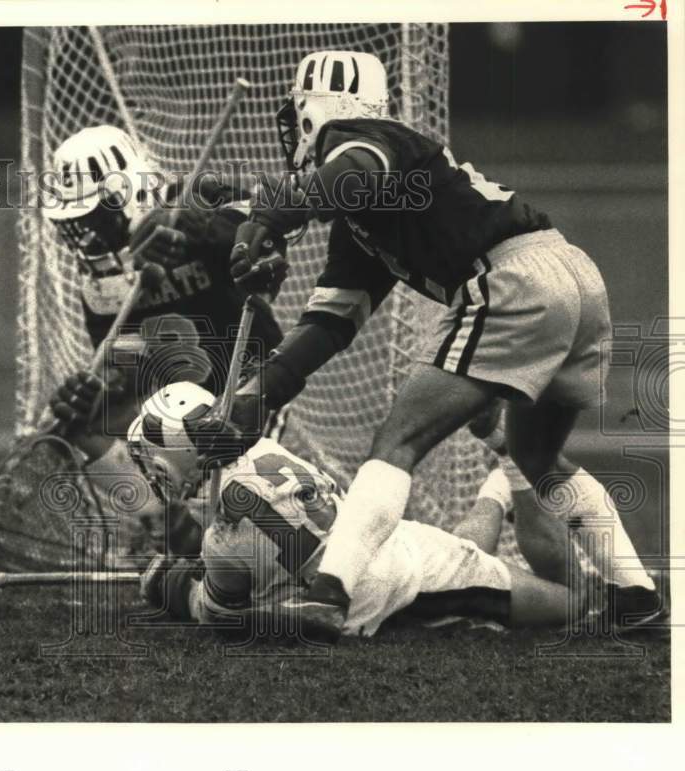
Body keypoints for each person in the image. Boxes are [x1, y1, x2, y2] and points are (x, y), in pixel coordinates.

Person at [189, 50, 616, 634]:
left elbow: (350, 174)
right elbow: (331, 321)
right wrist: (261, 391)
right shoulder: (365, 220)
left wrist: (266, 217)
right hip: (571, 276)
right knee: (533, 458)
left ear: (315, 112)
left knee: (397, 443)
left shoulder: (365, 141)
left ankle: (329, 590)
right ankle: (636, 591)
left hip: (515, 279)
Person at [129, 383, 658, 639]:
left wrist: (165, 584)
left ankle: (512, 462)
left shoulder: (223, 540)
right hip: (382, 548)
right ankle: (496, 488)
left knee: (575, 603)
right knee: (463, 550)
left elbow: (218, 615)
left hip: (400, 582)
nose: (150, 473)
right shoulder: (265, 449)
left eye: (152, 461)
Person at [41, 125, 285, 463]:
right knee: (79, 427)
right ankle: (152, 514)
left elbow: (268, 229)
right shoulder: (100, 286)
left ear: (124, 197)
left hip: (250, 383)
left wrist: (196, 227)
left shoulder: (194, 197)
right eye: (76, 228)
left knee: (235, 492)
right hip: (177, 405)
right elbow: (126, 368)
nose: (85, 242)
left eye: (92, 221)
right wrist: (97, 393)